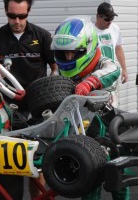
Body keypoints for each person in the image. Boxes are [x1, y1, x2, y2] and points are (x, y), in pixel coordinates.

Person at [0, 0, 57, 199]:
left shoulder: (43, 36)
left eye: (22, 16)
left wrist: (53, 83)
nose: (17, 21)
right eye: (12, 16)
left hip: (37, 107)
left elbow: (56, 65)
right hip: (5, 107)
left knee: (36, 166)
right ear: (5, 12)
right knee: (8, 163)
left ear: (28, 12)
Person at [51, 16, 128, 200]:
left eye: (74, 52)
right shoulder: (60, 71)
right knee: (91, 180)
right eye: (65, 53)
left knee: (119, 179)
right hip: (82, 130)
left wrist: (90, 82)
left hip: (108, 125)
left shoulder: (104, 62)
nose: (69, 57)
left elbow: (113, 70)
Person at [94, 2, 128, 85]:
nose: (110, 22)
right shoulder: (89, 31)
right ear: (98, 16)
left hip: (112, 76)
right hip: (96, 78)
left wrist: (124, 69)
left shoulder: (115, 28)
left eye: (112, 18)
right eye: (107, 19)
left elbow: (118, 48)